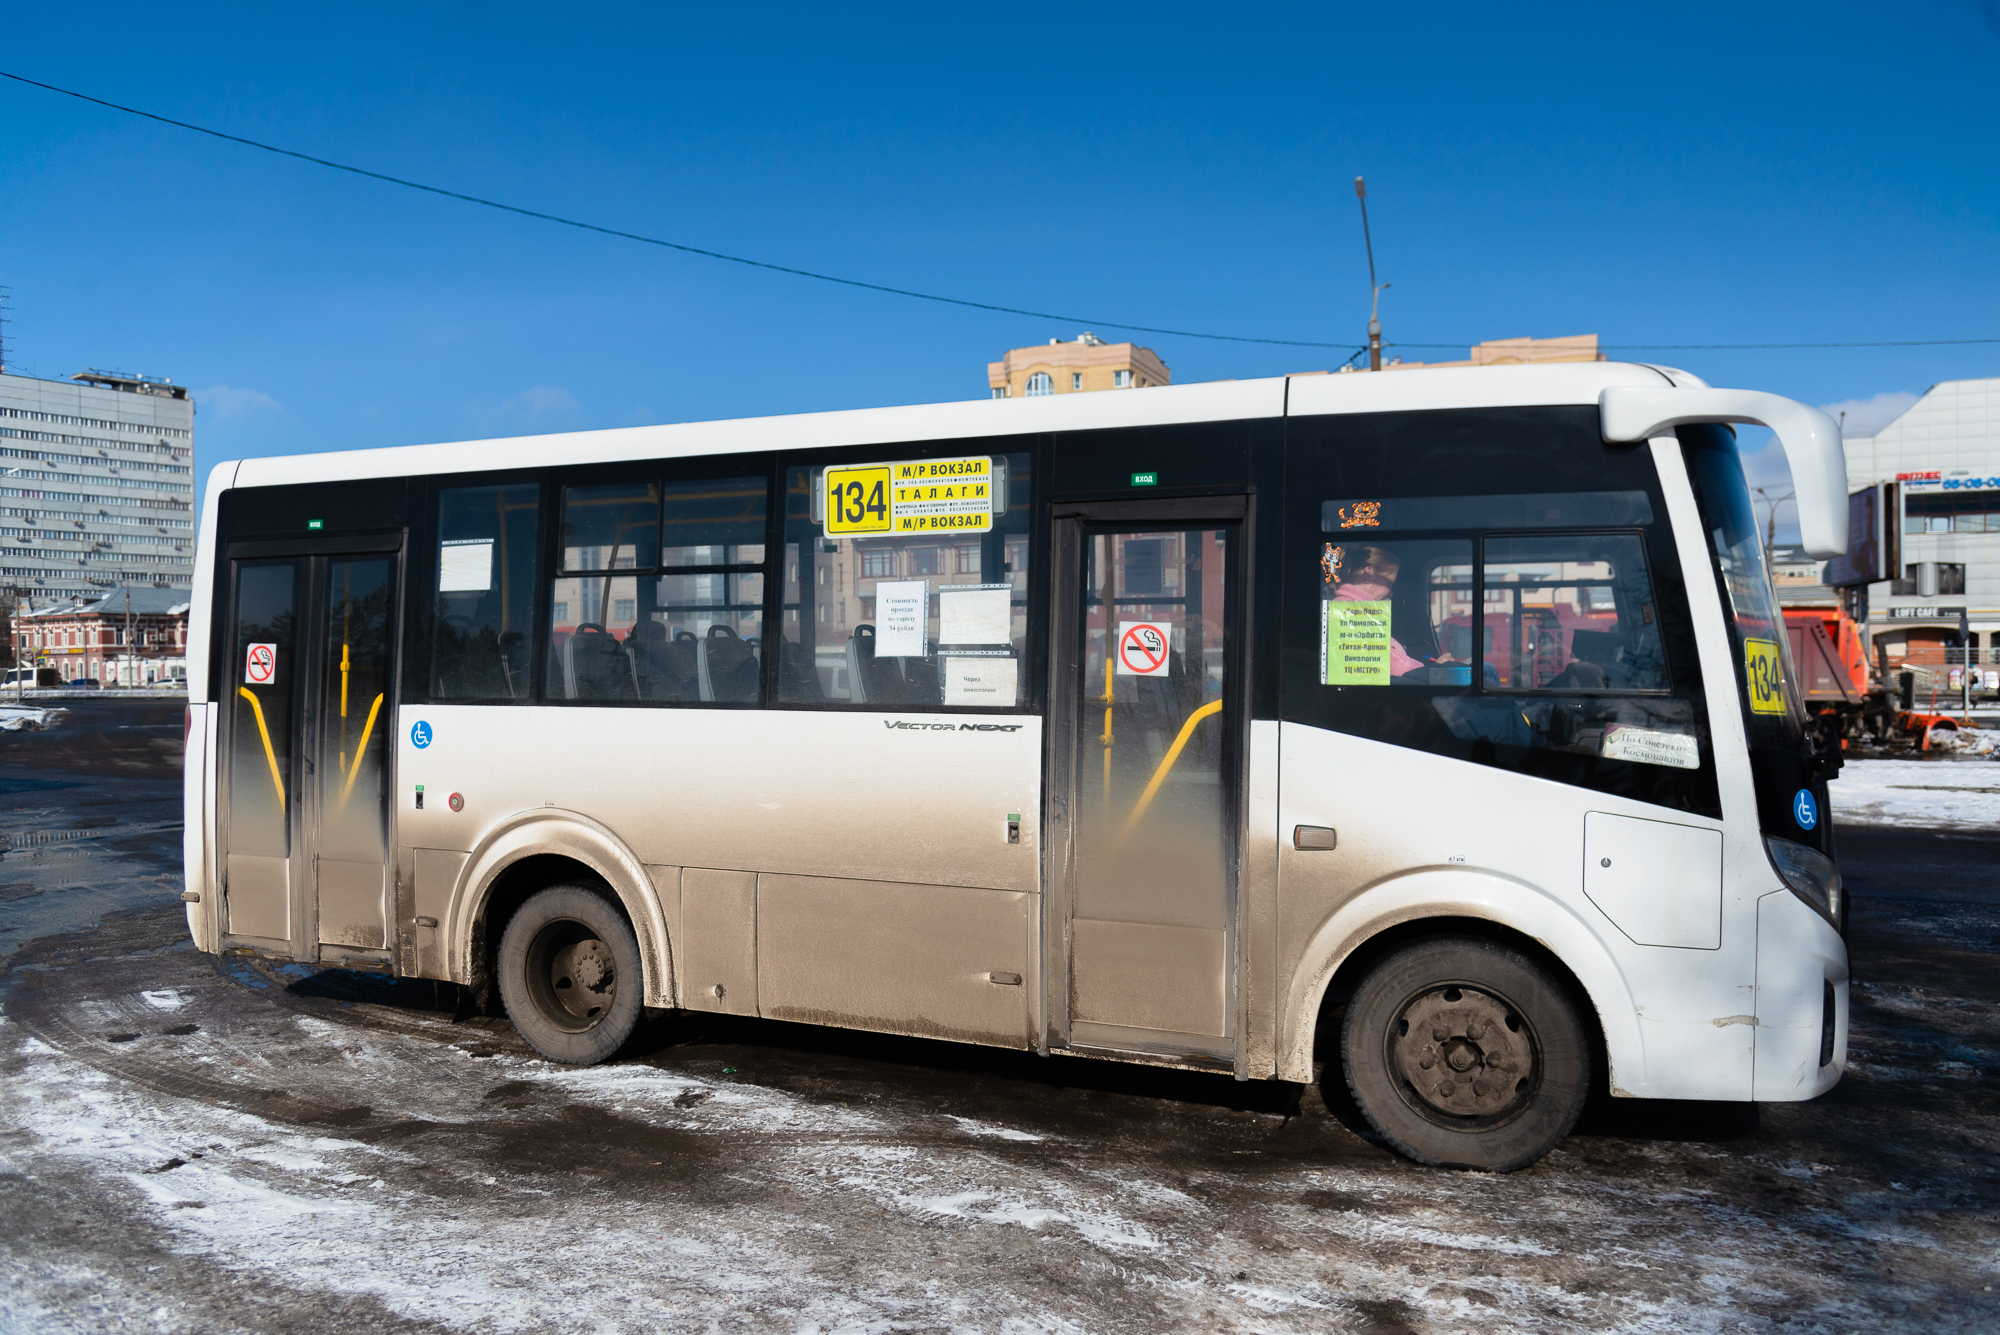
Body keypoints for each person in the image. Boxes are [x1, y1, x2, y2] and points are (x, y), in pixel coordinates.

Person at [1328, 544, 1426, 677]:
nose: (1391, 593)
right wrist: (1432, 669)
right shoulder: (1349, 611)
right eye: (1390, 583)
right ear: (1368, 575)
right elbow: (1391, 665)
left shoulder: (1352, 610)